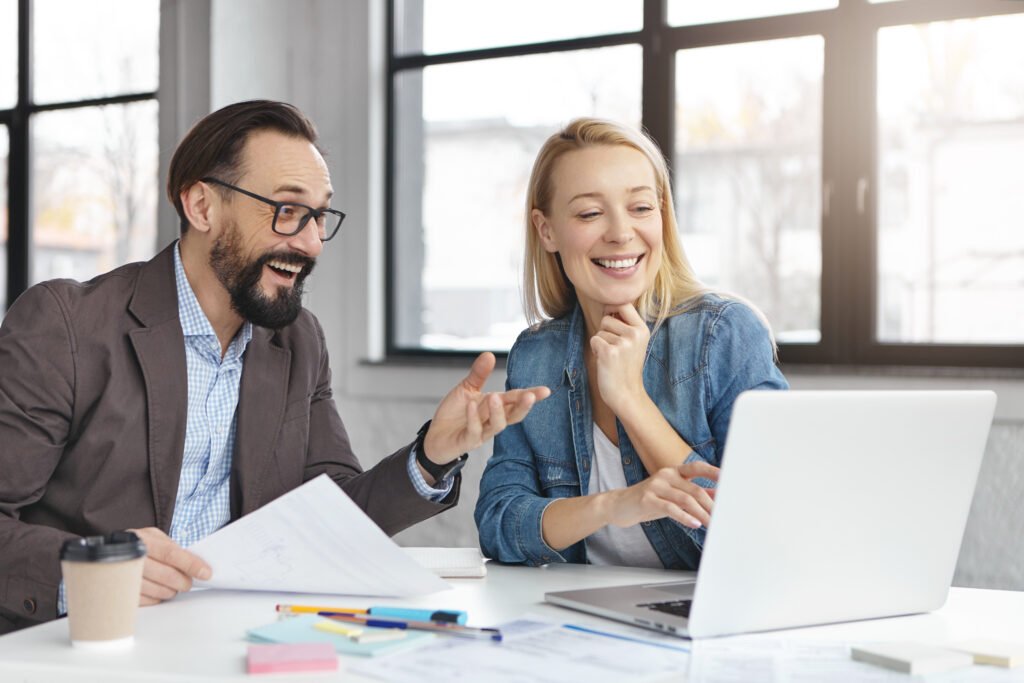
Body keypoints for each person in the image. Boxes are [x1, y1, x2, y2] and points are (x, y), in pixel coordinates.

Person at [0, 100, 550, 633]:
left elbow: (331, 513)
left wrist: (430, 456)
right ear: (202, 208)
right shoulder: (67, 325)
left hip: (229, 637)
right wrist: (94, 568)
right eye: (288, 211)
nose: (311, 242)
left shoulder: (299, 340)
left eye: (320, 216)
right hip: (78, 643)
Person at [474, 118, 788, 570]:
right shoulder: (536, 356)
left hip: (701, 620)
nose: (621, 233)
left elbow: (764, 531)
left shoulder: (722, 334)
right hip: (587, 619)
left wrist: (630, 400)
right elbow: (498, 523)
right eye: (589, 213)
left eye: (641, 207)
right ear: (547, 231)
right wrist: (613, 505)